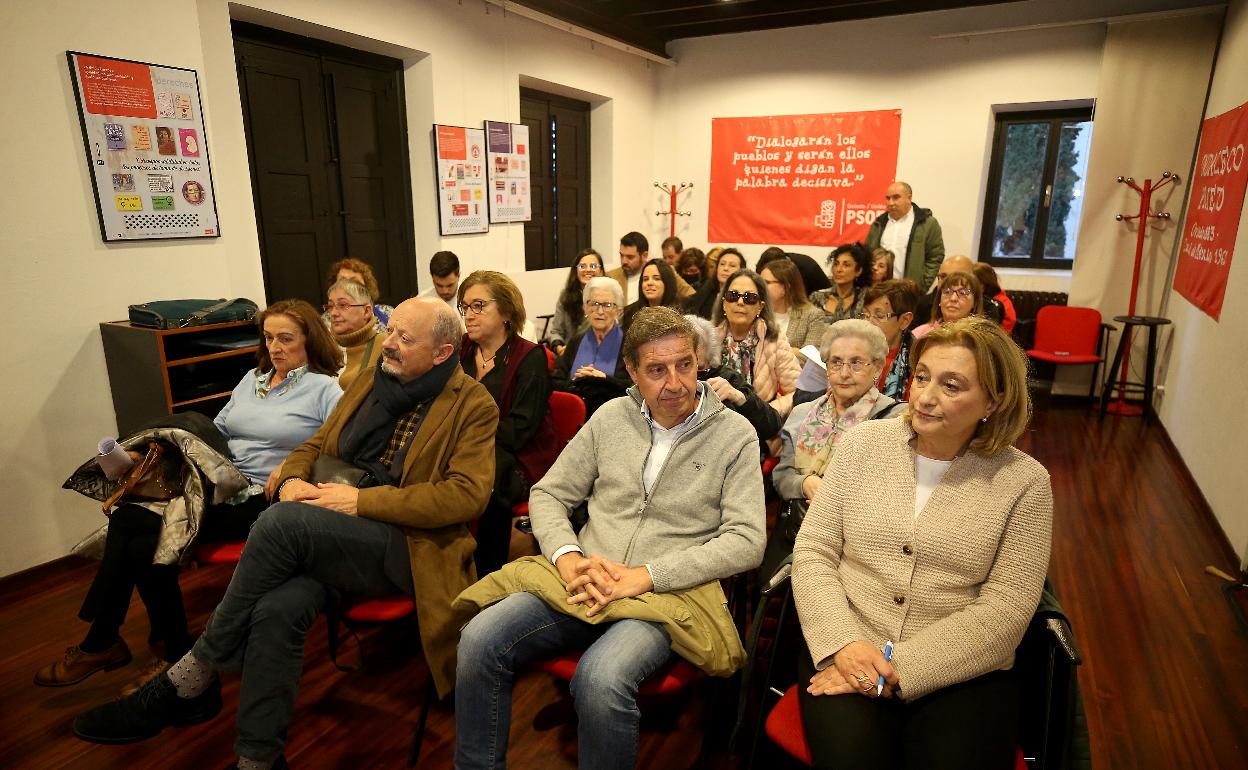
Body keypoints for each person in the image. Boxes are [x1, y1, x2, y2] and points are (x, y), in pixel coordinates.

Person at [71, 299, 496, 770]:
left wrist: (357, 502)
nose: (389, 343)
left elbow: (465, 497)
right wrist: (293, 476)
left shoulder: (473, 404)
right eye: (389, 330)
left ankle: (193, 673)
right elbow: (316, 443)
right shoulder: (371, 381)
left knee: (280, 522)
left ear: (441, 353)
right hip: (333, 527)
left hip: (405, 545)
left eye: (404, 338)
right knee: (277, 609)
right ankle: (258, 760)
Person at [454, 306, 766, 770]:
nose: (675, 383)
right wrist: (567, 557)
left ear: (699, 360)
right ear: (633, 373)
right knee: (479, 640)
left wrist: (647, 575)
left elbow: (747, 540)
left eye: (684, 364)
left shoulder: (734, 433)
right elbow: (550, 494)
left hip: (665, 592)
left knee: (600, 677)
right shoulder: (611, 418)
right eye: (657, 370)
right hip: (585, 577)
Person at [41, 300, 343, 694]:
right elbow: (214, 431)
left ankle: (110, 642)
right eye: (269, 338)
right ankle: (159, 649)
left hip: (262, 495)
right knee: (138, 523)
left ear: (310, 340)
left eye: (286, 339)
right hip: (215, 481)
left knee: (141, 528)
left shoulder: (324, 388)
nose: (275, 347)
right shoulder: (251, 379)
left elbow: (338, 449)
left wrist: (294, 466)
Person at [791, 316, 1052, 770]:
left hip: (962, 669)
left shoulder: (1024, 481)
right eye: (922, 377)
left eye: (952, 386)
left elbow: (1007, 608)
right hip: (848, 644)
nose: (925, 397)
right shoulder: (862, 445)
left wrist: (899, 670)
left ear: (994, 399)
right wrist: (845, 644)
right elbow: (814, 552)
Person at [458, 271, 555, 575]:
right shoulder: (462, 350)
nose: (469, 316)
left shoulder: (530, 358)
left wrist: (467, 431)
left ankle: (489, 572)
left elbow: (519, 432)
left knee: (489, 478)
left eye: (478, 306)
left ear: (505, 311)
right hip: (472, 447)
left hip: (519, 458)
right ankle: (445, 565)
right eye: (465, 307)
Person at [772, 320, 906, 504]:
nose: (844, 373)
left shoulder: (894, 419)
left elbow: (892, 489)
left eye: (856, 363)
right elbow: (782, 477)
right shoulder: (801, 413)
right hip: (799, 526)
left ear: (877, 367)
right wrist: (804, 484)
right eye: (836, 362)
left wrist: (835, 498)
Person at [712, 268, 801, 414]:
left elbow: (798, 392)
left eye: (749, 298)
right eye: (733, 296)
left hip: (759, 425)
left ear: (760, 306)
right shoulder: (708, 339)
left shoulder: (775, 340)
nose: (740, 302)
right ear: (724, 303)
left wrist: (769, 413)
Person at [687, 314, 783, 446]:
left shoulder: (725, 377)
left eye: (699, 370)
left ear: (710, 359)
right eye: (684, 366)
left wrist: (739, 397)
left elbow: (772, 425)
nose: (690, 377)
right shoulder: (665, 383)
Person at [553, 276, 630, 417]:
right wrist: (576, 382)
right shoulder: (575, 341)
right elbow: (556, 381)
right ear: (585, 308)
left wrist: (604, 379)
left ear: (618, 311)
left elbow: (636, 387)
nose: (599, 311)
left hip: (616, 417)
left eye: (607, 305)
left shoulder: (630, 344)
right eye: (594, 304)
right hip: (575, 416)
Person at [864, 181, 946, 292]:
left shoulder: (927, 223)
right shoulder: (879, 223)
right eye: (888, 198)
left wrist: (922, 285)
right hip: (880, 290)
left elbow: (935, 256)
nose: (891, 202)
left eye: (896, 198)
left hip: (909, 292)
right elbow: (868, 254)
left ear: (909, 198)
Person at [860, 279, 921, 401]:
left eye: (879, 316)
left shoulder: (917, 361)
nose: (869, 322)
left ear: (905, 320)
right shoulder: (854, 349)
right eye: (866, 315)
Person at [761, 257, 826, 358]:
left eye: (767, 283)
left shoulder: (812, 315)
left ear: (786, 286)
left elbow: (810, 359)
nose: (760, 287)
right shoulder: (757, 311)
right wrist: (793, 351)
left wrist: (771, 350)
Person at [325, 279, 383, 392]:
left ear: (366, 311)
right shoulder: (323, 347)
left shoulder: (384, 344)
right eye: (330, 306)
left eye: (342, 305)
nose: (333, 313)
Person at [548, 248, 606, 355]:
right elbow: (556, 332)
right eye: (582, 266)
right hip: (569, 357)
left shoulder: (610, 298)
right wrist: (559, 347)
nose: (588, 270)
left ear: (601, 271)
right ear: (576, 271)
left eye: (593, 266)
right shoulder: (565, 297)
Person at [323, 258, 395, 331]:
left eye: (355, 281)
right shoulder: (323, 324)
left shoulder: (388, 312)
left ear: (367, 287)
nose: (348, 286)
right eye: (343, 281)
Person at [811, 243, 871, 324]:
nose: (839, 269)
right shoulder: (817, 297)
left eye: (846, 265)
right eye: (836, 264)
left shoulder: (865, 299)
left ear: (858, 271)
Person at [912, 271, 984, 340]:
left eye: (962, 293)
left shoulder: (982, 339)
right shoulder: (919, 334)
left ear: (975, 302)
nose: (953, 298)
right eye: (947, 292)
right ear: (939, 300)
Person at [620, 258, 682, 332]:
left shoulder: (680, 313)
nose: (649, 283)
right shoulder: (629, 313)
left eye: (656, 278)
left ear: (667, 283)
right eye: (645, 279)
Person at [686, 246, 745, 320]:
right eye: (722, 264)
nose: (725, 268)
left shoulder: (743, 299)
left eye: (732, 265)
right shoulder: (706, 291)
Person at [914, 254, 973, 325]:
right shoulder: (920, 305)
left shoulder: (986, 313)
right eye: (943, 277)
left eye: (956, 277)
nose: (948, 282)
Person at [973, 262, 1016, 334]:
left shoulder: (1002, 303)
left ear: (982, 285)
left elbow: (1002, 333)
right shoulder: (972, 299)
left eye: (972, 282)